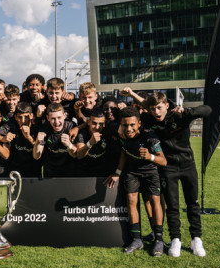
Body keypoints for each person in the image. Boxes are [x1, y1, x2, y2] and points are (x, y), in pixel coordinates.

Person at [124, 87, 212, 257]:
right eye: (153, 109)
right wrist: (132, 95)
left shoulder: (180, 115)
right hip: (168, 167)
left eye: (159, 107)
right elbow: (147, 104)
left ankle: (196, 239)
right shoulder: (149, 119)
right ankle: (175, 239)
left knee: (192, 204)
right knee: (172, 205)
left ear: (167, 105)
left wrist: (187, 111)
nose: (156, 112)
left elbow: (208, 109)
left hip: (188, 165)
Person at [104, 106, 167, 257]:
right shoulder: (122, 135)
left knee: (154, 201)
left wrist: (150, 157)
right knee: (131, 201)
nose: (129, 128)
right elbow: (124, 154)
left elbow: (163, 161)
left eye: (132, 125)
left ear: (139, 123)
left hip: (151, 172)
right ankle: (137, 239)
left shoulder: (149, 136)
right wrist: (118, 173)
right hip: (132, 172)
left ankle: (158, 239)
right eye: (125, 125)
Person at [33, 103, 77, 177]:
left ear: (64, 116)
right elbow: (36, 156)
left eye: (59, 117)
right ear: (48, 118)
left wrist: (69, 145)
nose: (56, 122)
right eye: (53, 118)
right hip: (50, 170)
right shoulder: (45, 128)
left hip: (69, 170)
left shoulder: (71, 126)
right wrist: (37, 143)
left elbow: (75, 155)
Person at [0, 102, 41, 177]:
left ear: (31, 116)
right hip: (16, 166)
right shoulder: (12, 124)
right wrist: (3, 138)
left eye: (26, 117)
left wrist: (28, 137)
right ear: (15, 117)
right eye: (20, 117)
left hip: (33, 166)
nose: (23, 121)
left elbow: (40, 151)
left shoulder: (37, 127)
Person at [74, 108, 116, 176]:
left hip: (102, 172)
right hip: (84, 171)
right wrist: (90, 143)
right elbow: (79, 155)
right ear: (88, 122)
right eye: (94, 123)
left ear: (104, 124)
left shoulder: (108, 132)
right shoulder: (82, 134)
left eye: (101, 124)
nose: (97, 127)